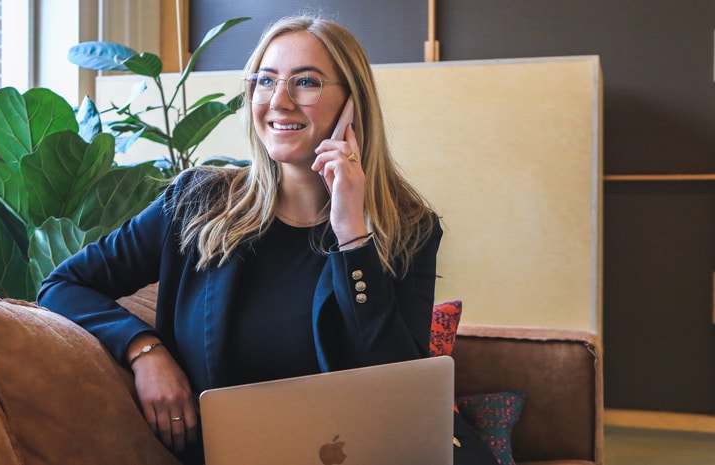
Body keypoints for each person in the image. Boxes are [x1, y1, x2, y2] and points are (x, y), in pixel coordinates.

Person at [38, 15, 497, 465]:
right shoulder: (197, 203)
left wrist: (353, 238)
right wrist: (145, 350)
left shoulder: (407, 228)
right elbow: (62, 285)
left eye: (306, 82)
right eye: (265, 80)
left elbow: (402, 391)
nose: (279, 100)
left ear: (352, 105)